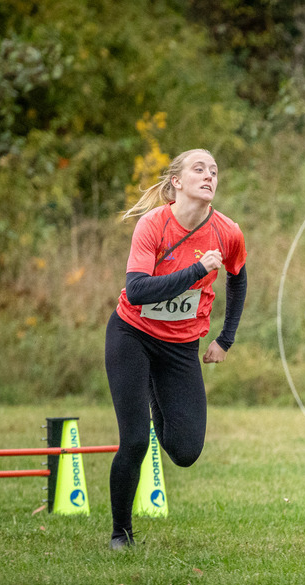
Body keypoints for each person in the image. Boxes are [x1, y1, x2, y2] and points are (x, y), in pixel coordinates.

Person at [105, 148, 247, 549]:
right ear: (177, 182)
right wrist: (197, 270)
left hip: (181, 346)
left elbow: (238, 278)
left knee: (185, 451)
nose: (209, 175)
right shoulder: (153, 225)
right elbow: (137, 290)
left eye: (214, 170)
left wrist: (226, 338)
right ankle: (120, 533)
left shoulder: (227, 232)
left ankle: (156, 394)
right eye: (199, 169)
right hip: (132, 335)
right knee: (135, 440)